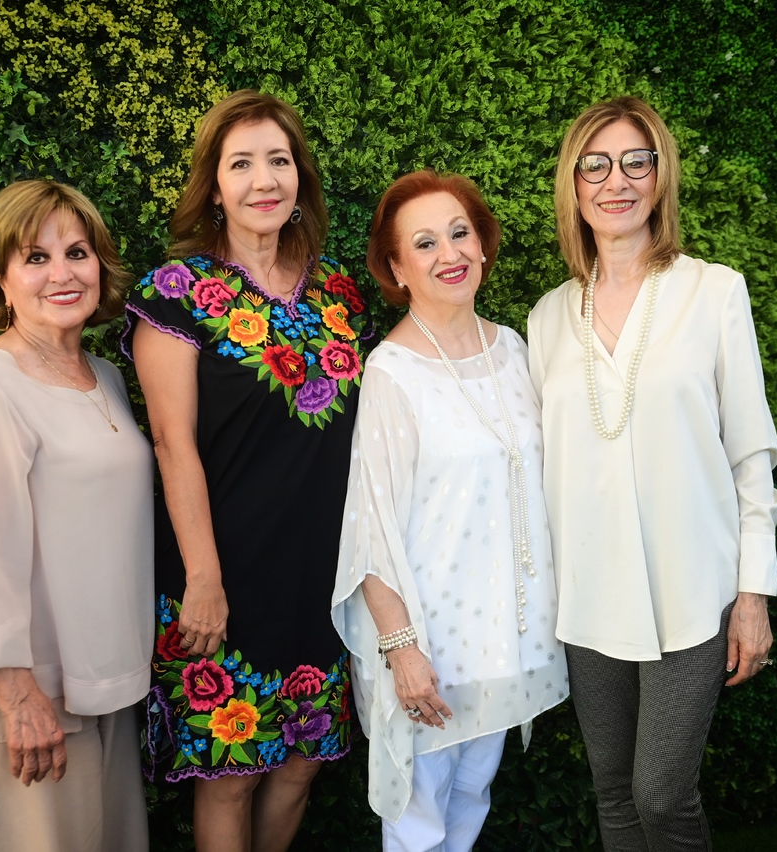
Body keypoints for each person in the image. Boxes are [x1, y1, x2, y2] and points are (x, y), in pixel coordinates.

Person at [527, 96, 777, 851]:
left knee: (660, 796)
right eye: (596, 165)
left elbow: (751, 455)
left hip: (691, 589)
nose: (617, 181)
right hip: (588, 595)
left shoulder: (714, 291)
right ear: (574, 185)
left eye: (637, 162)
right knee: (613, 794)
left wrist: (753, 595)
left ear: (660, 176)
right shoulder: (546, 318)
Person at [122, 90, 372, 852]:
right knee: (232, 775)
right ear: (214, 185)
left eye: (279, 161)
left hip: (322, 577)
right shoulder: (177, 295)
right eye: (241, 164)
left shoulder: (340, 294)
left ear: (300, 178)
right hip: (224, 574)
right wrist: (203, 578)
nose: (264, 180)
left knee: (301, 765)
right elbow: (173, 445)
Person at [333, 170, 569, 851]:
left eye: (460, 233)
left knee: (471, 800)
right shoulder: (392, 371)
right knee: (417, 821)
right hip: (429, 643)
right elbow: (371, 523)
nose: (450, 254)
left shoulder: (514, 349)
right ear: (397, 269)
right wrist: (402, 650)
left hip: (506, 634)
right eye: (425, 243)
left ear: (484, 245)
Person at [0, 179, 152, 852]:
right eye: (36, 258)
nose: (63, 273)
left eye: (77, 253)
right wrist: (18, 693)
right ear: (0, 279)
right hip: (26, 693)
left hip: (101, 680)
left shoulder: (106, 376)